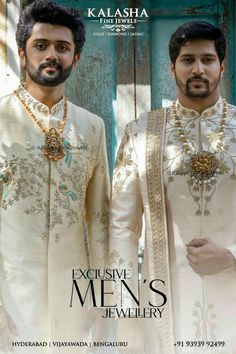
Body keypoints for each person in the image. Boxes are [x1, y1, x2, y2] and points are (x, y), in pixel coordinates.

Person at [109, 21, 236, 354]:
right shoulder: (141, 133)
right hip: (165, 308)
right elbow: (122, 228)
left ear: (222, 66)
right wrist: (125, 315)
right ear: (172, 67)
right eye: (187, 59)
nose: (198, 68)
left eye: (207, 59)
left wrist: (231, 256)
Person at [0, 1, 110, 353]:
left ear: (75, 59)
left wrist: (104, 299)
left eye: (63, 48)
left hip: (74, 300)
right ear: (22, 53)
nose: (52, 55)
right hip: (12, 296)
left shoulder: (92, 127)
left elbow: (100, 219)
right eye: (41, 45)